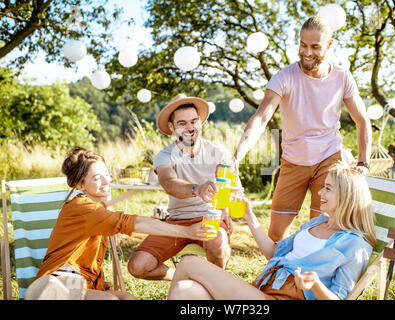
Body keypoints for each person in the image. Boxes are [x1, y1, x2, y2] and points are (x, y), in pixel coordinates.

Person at [233, 16, 372, 241]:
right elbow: (261, 117)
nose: (307, 52)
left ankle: (312, 275)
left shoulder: (342, 77)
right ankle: (281, 274)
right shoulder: (284, 77)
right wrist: (237, 156)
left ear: (329, 45)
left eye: (315, 47)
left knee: (324, 229)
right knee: (276, 232)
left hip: (329, 158)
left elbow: (362, 120)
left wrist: (363, 162)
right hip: (293, 161)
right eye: (303, 45)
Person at [168, 163, 377, 300]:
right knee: (184, 291)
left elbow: (339, 298)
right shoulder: (316, 223)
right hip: (264, 290)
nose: (320, 192)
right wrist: (250, 216)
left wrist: (314, 285)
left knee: (189, 263)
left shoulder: (355, 245)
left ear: (346, 197)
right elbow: (274, 252)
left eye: (328, 188)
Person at [30, 146, 215, 300]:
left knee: (128, 298)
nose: (106, 181)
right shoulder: (83, 208)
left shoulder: (97, 207)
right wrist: (187, 231)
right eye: (96, 178)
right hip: (62, 274)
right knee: (109, 299)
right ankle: (54, 290)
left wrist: (98, 283)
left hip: (86, 282)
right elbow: (135, 223)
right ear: (80, 184)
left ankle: (65, 293)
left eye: (107, 174)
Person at [127, 93, 234, 282]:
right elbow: (169, 183)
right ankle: (183, 276)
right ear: (172, 127)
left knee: (217, 237)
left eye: (194, 121)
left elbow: (227, 185)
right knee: (137, 266)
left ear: (200, 122)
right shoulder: (165, 155)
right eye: (182, 123)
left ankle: (216, 286)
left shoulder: (218, 151)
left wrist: (224, 209)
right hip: (176, 222)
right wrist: (197, 189)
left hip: (210, 217)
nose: (190, 128)